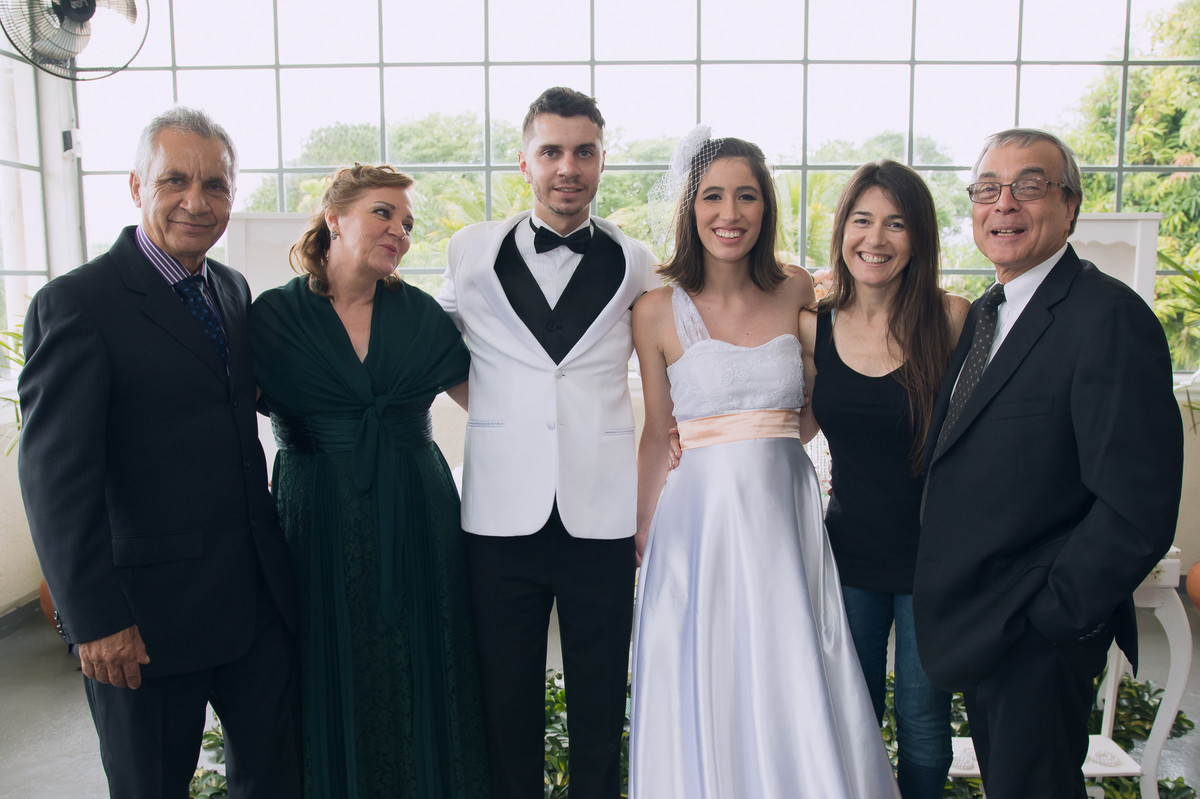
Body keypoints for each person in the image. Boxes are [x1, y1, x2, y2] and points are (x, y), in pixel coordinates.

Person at [17, 106, 301, 797]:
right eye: (176, 180)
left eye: (217, 186)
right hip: (143, 621)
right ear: (136, 185)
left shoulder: (230, 290)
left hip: (251, 602)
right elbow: (57, 478)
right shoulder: (79, 305)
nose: (196, 203)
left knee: (278, 780)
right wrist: (98, 620)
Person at [914, 129, 1184, 799]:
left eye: (1028, 186)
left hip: (1036, 634)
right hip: (986, 625)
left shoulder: (1108, 318)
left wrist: (1051, 618)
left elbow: (1136, 505)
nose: (1004, 203)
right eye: (987, 189)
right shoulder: (986, 314)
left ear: (1071, 206)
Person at [629, 133, 900, 798]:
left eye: (746, 195)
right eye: (714, 196)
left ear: (765, 207)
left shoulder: (798, 287)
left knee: (790, 663)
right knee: (711, 672)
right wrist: (642, 535)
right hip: (699, 522)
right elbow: (655, 430)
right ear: (691, 208)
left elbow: (815, 404)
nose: (731, 212)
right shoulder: (656, 309)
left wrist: (769, 435)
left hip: (785, 508)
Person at [436, 86, 658, 799]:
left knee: (600, 697)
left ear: (601, 161)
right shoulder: (469, 250)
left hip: (601, 511)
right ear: (524, 160)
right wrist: (506, 410)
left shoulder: (637, 260)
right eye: (553, 151)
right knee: (504, 697)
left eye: (585, 151)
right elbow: (437, 354)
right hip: (500, 513)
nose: (570, 166)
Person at [250, 164, 488, 798]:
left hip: (416, 510)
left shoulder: (422, 318)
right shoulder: (273, 317)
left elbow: (495, 412)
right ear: (334, 217)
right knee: (326, 662)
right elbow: (212, 419)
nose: (399, 232)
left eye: (407, 224)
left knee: (421, 655)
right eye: (383, 213)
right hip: (315, 515)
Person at [795, 161, 969, 798]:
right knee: (853, 715)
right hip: (848, 558)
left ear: (918, 239)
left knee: (923, 724)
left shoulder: (952, 319)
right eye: (863, 220)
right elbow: (796, 423)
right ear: (843, 231)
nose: (877, 238)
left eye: (897, 224)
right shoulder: (814, 325)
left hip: (935, 560)